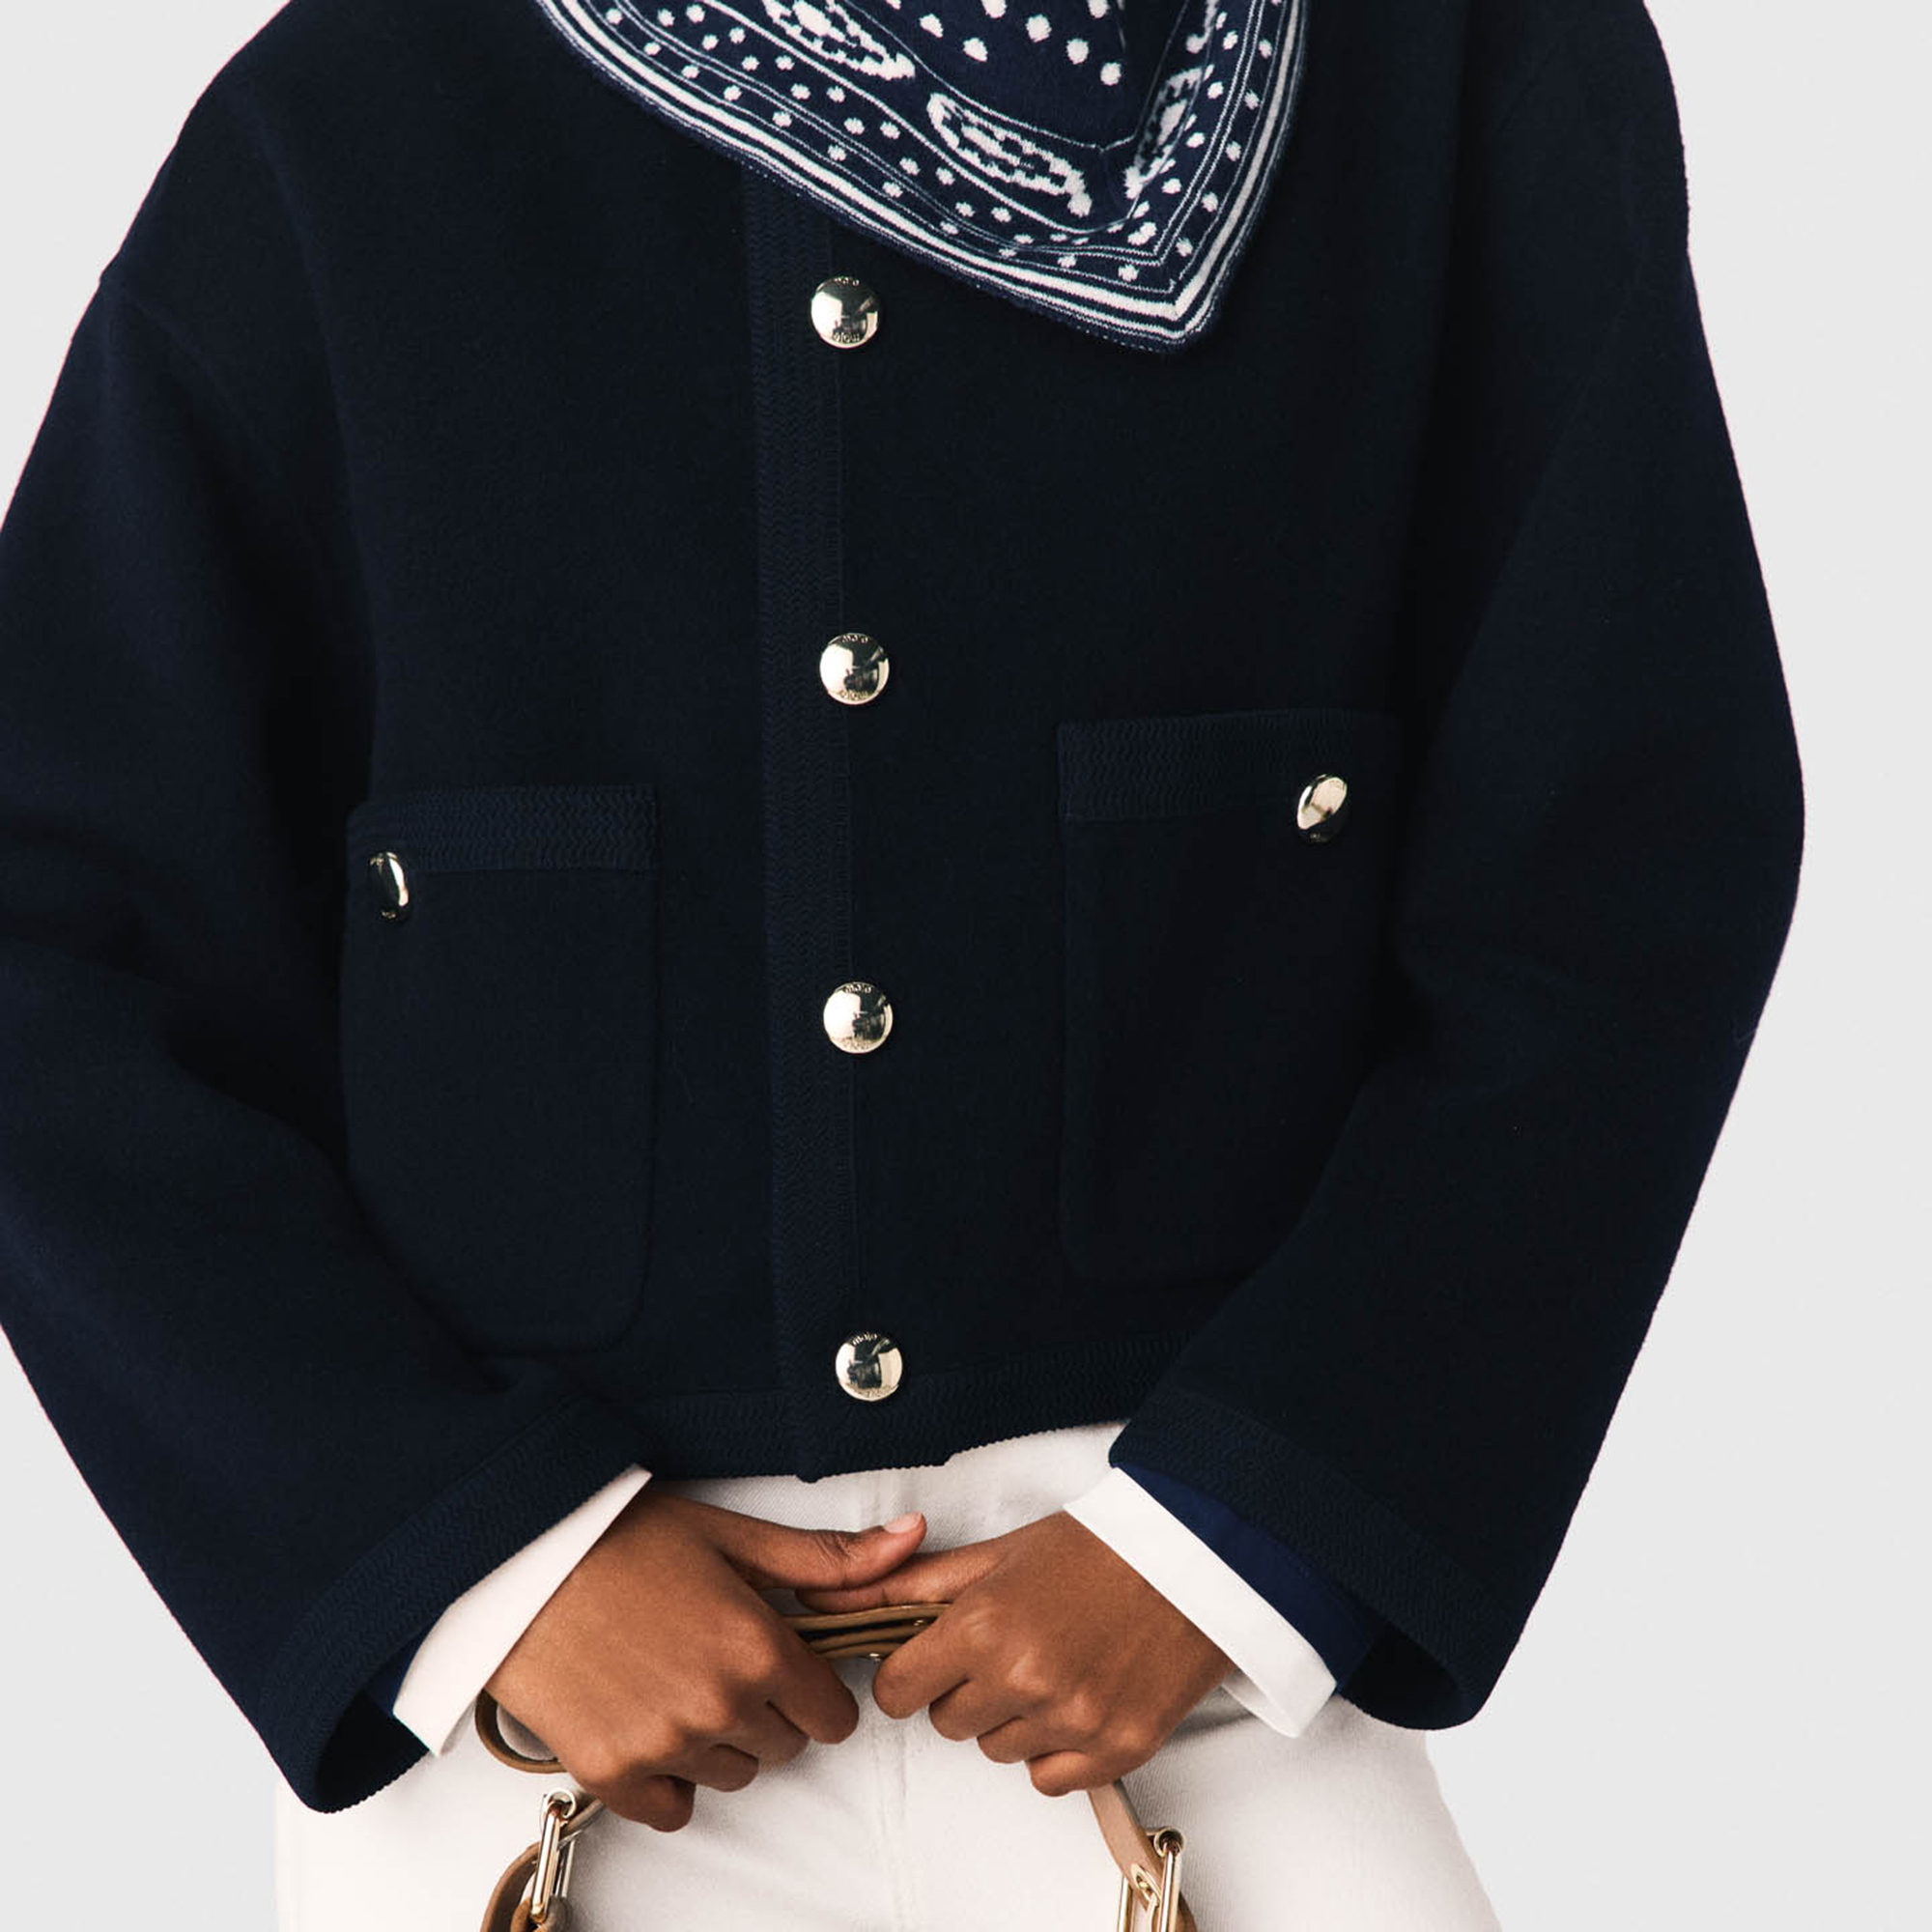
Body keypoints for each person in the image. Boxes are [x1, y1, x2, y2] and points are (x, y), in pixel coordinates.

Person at [0, 0, 1804, 1924]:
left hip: (1203, 1636)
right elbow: (53, 934)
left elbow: (1621, 860)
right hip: (542, 1693)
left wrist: (1243, 1538)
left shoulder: (1458, 65)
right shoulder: (356, 110)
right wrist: (472, 1561)